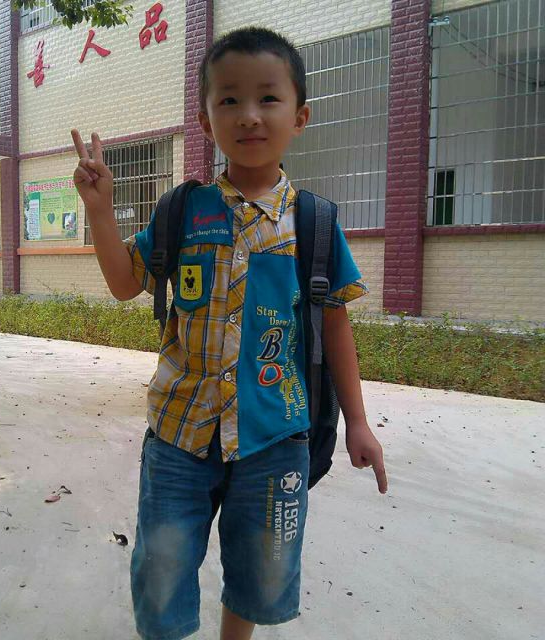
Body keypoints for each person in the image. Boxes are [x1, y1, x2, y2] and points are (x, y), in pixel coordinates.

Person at [71, 26, 387, 640]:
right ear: (205, 119)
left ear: (299, 117)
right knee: (162, 571)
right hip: (179, 435)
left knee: (259, 574)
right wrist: (101, 211)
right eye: (229, 99)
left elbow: (335, 326)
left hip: (275, 438)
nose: (249, 115)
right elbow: (124, 282)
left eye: (268, 98)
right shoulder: (184, 211)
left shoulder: (314, 223)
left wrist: (358, 422)